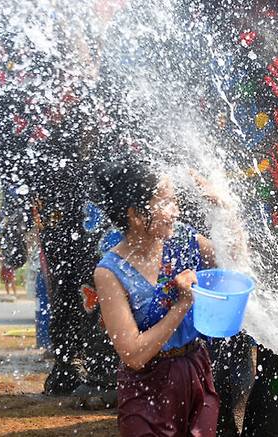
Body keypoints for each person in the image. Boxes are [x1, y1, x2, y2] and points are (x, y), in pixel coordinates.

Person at [92, 160, 223, 436]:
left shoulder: (184, 241)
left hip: (196, 372)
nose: (176, 212)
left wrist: (223, 210)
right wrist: (182, 305)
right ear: (137, 216)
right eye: (166, 203)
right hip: (146, 387)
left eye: (175, 202)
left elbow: (235, 263)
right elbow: (134, 355)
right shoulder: (110, 271)